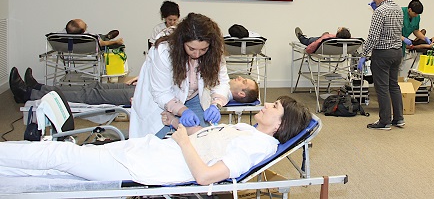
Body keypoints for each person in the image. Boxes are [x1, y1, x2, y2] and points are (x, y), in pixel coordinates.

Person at [0, 96, 311, 186]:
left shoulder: (257, 145)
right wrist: (177, 124)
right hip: (147, 151)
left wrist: (183, 141)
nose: (267, 105)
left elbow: (204, 176)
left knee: (58, 154)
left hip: (148, 166)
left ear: (280, 124)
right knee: (59, 169)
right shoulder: (247, 130)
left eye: (275, 108)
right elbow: (201, 142)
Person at [131, 13, 230, 139]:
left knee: (202, 137)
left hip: (194, 97)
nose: (197, 54)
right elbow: (161, 92)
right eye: (191, 48)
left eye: (203, 49)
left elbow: (221, 82)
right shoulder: (164, 51)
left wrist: (216, 104)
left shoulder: (214, 51)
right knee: (153, 143)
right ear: (182, 41)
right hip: (160, 100)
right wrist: (182, 111)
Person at [8, 67, 259, 106]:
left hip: (151, 98)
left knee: (92, 94)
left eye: (245, 82)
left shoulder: (221, 92)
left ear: (240, 93)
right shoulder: (221, 83)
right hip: (151, 88)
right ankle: (39, 87)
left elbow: (213, 98)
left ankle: (30, 94)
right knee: (96, 86)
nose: (241, 77)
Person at [358, 0, 404, 130]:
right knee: (394, 85)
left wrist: (364, 54)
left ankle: (385, 121)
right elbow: (392, 29)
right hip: (397, 53)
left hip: (383, 54)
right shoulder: (398, 9)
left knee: (382, 88)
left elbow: (373, 36)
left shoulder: (380, 11)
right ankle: (399, 119)